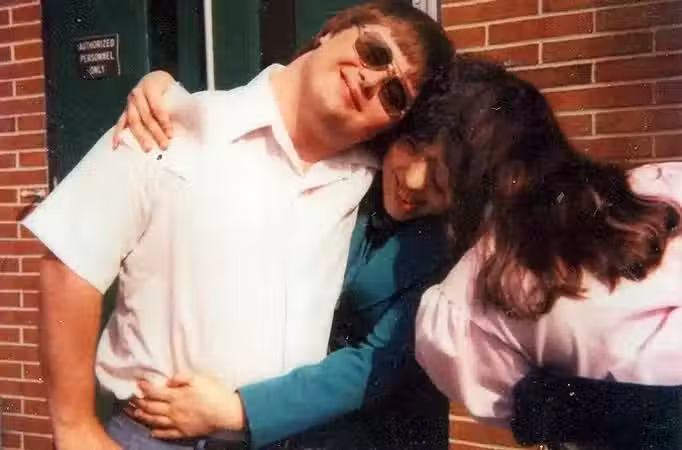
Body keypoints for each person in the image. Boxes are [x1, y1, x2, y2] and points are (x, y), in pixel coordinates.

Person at [25, 2, 453, 449]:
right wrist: (74, 427)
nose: (370, 80)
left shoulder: (372, 181)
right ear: (331, 32)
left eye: (394, 95)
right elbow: (70, 263)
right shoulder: (171, 125)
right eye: (374, 52)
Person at [109, 62, 457, 449]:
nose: (414, 181)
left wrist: (238, 411)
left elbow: (375, 363)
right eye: (411, 148)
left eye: (440, 182)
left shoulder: (445, 251)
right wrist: (166, 94)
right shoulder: (349, 168)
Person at [415, 58, 682, 431]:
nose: (415, 180)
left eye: (434, 165)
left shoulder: (463, 302)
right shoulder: (662, 186)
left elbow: (525, 410)